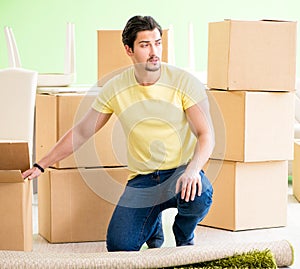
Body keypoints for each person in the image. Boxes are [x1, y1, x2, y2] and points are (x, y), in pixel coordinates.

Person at [22, 15, 215, 252]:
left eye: (158, 42)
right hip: (143, 180)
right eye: (145, 45)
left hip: (180, 172)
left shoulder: (184, 81)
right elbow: (82, 131)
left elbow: (206, 134)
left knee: (200, 193)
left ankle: (183, 233)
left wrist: (193, 170)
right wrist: (41, 165)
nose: (154, 51)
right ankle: (153, 227)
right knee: (119, 246)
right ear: (129, 49)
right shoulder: (116, 87)